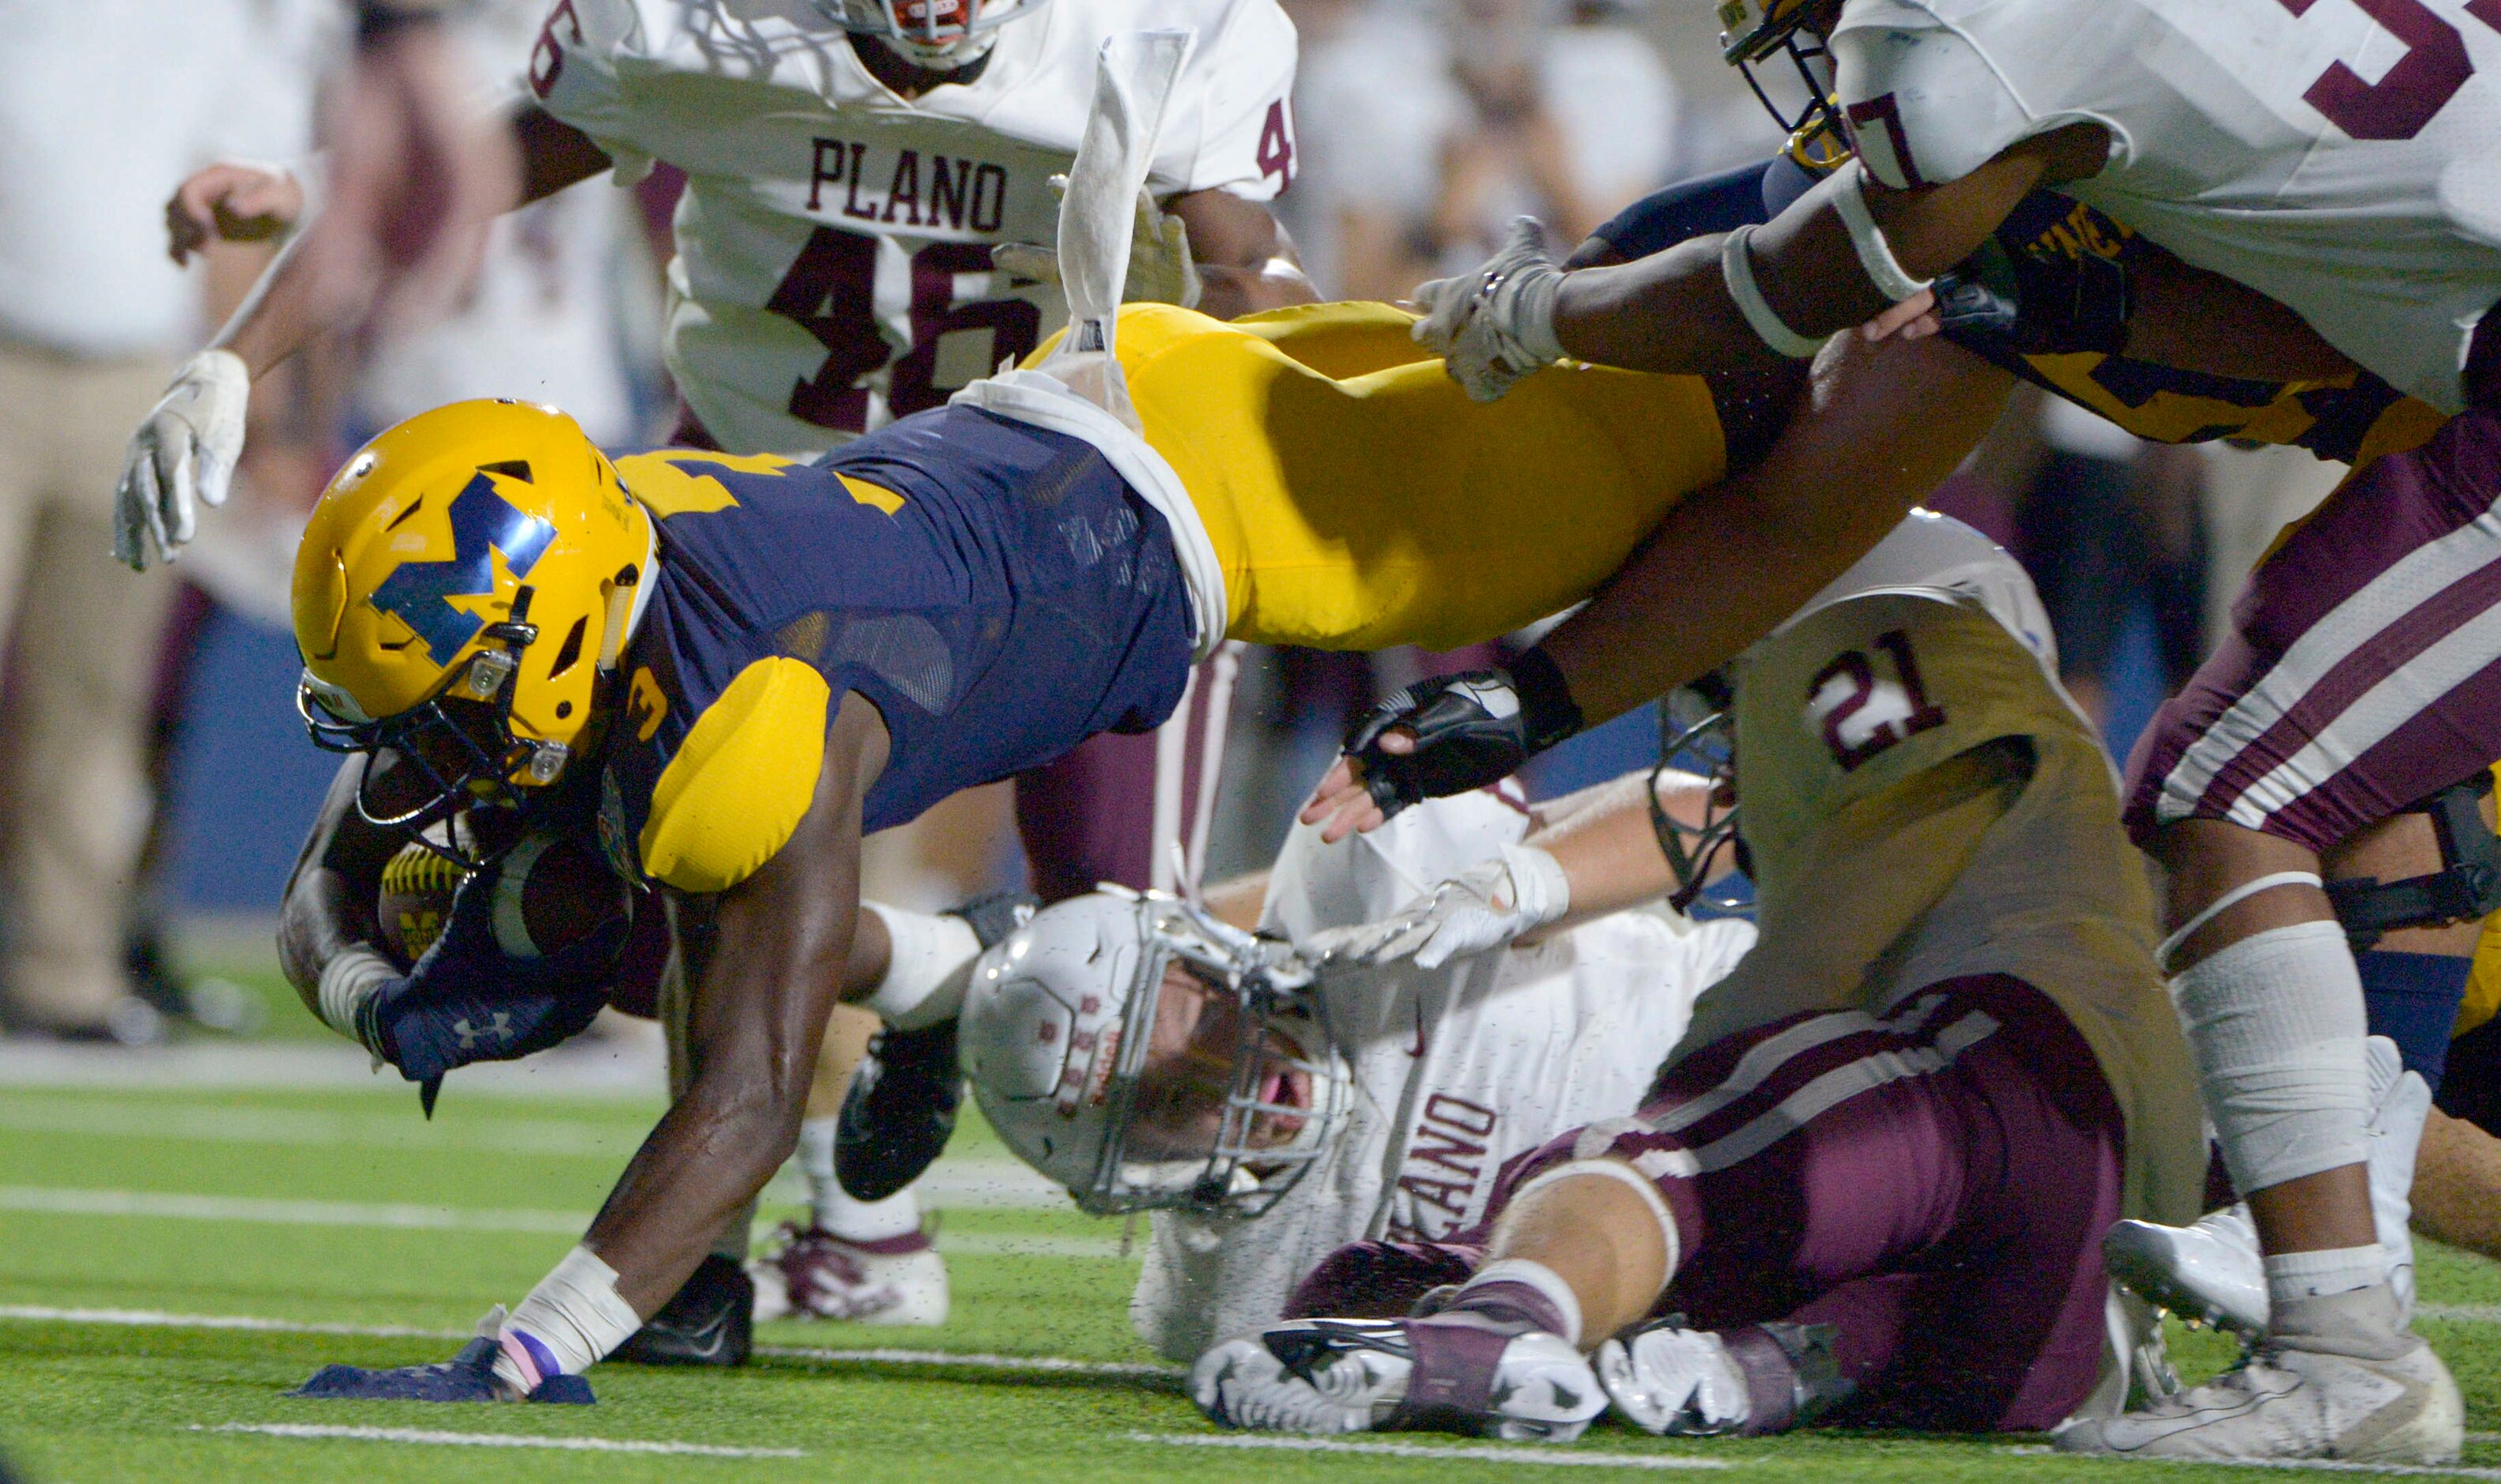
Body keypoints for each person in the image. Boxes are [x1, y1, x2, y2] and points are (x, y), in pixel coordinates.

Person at [265, 61, 2024, 1400]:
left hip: (1302, 507)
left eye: (448, 700)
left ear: (547, 632)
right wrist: (353, 971)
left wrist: (523, 1353)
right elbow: (382, 805)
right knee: (1641, 309)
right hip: (1159, 396)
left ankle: (2000, 200)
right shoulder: (625, 516)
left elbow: (734, 1109)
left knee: (1724, 383)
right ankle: (1950, 182)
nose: (429, 746)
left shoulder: (750, 724)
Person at [1307, 0, 2501, 1443]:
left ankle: (2341, 1336)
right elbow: (2290, 294)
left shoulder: (1959, 55)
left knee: (2238, 792)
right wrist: (1532, 698)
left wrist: (1532, 309)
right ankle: (2334, 1260)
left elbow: (1778, 288)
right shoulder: (2137, 131)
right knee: (2269, 776)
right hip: (2456, 361)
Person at [140, 0, 1319, 1332]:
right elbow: (497, 157)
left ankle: (1178, 1212)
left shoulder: (1160, 32)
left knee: (1121, 979)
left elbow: (1247, 272)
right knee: (624, 920)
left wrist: (1280, 429)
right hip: (748, 543)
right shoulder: (689, 23)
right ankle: (763, 1202)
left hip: (1059, 544)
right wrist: (244, 348)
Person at [1194, 510, 2215, 1444]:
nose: (1723, 732)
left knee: (1643, 1164)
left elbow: (1818, 955)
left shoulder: (1884, 662)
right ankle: (1774, 1362)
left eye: (1730, 689)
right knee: (1390, 1276)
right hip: (2045, 1321)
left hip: (2002, 1098)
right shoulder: (2044, 857)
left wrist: (1656, 1122)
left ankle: (1502, 1326)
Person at [942, 765, 1752, 1363]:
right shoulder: (1230, 1302)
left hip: (1773, 1036)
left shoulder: (1362, 894)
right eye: (1159, 1101)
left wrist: (1520, 882)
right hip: (1741, 1291)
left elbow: (1714, 808)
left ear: (1207, 956)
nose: (1219, 1075)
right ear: (1134, 1167)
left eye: (1196, 1022)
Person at [0, 0, 315, 1043]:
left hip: (139, 365)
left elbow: (243, 208)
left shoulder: (229, 18)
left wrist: (252, 396)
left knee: (98, 698)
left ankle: (67, 969)